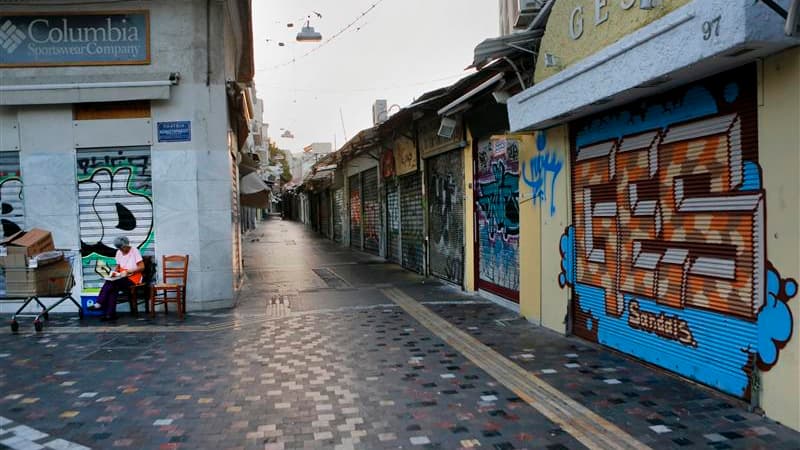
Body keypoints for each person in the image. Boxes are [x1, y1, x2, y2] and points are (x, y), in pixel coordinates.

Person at [89, 237, 144, 321]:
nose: (121, 250)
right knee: (112, 286)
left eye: (122, 248)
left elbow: (142, 267)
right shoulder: (118, 252)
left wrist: (129, 271)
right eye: (119, 249)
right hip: (122, 277)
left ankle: (99, 303)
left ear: (127, 245)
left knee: (112, 284)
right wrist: (114, 273)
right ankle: (110, 315)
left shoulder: (134, 251)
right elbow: (118, 267)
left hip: (133, 278)